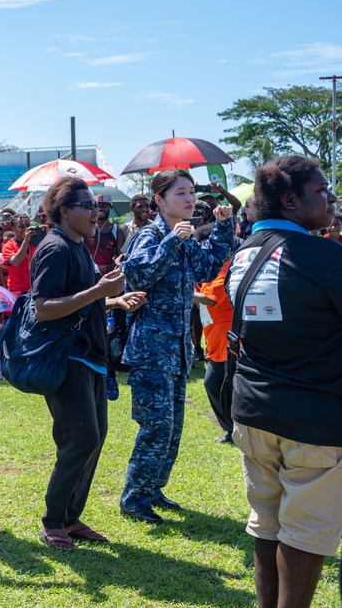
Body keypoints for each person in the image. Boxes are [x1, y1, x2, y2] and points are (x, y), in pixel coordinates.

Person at [225, 156, 342, 608]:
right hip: (312, 418)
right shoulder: (323, 255)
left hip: (253, 411)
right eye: (322, 190)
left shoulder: (246, 250)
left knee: (267, 523)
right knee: (306, 532)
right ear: (291, 200)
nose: (330, 198)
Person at [30, 177, 145, 551]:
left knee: (94, 439)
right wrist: (99, 291)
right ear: (64, 211)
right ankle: (53, 521)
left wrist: (112, 302)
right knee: (80, 438)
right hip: (69, 358)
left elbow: (76, 298)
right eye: (87, 205)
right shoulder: (55, 248)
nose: (96, 212)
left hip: (92, 358)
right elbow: (43, 309)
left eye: (96, 206)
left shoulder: (78, 246)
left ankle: (70, 516)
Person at [119, 169, 234, 524]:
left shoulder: (182, 236)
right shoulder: (151, 235)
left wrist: (224, 225)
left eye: (191, 193)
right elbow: (136, 275)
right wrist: (172, 241)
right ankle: (134, 498)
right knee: (156, 425)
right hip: (151, 349)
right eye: (181, 193)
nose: (190, 200)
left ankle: (152, 489)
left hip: (178, 348)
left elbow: (209, 264)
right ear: (159, 201)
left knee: (172, 427)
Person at [194, 225, 234, 444]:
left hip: (230, 338)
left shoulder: (231, 268)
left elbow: (213, 299)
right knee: (215, 384)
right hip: (214, 339)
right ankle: (231, 430)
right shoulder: (211, 271)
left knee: (224, 386)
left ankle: (237, 430)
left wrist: (188, 293)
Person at [84, 193, 125, 275]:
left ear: (111, 207)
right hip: (87, 273)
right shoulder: (85, 227)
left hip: (108, 275)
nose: (100, 209)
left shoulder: (117, 231)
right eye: (98, 206)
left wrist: (107, 268)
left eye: (104, 206)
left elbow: (121, 258)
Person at [2, 213, 37, 298]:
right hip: (17, 291)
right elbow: (17, 262)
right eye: (21, 227)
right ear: (13, 229)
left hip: (36, 288)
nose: (25, 229)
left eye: (28, 226)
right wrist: (26, 241)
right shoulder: (8, 246)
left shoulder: (36, 241)